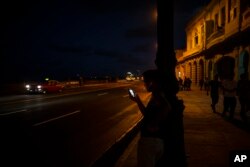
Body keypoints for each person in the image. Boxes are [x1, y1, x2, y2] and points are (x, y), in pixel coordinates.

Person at [129, 69, 171, 167]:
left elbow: (167, 107)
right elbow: (148, 115)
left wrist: (154, 123)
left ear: (152, 82)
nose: (144, 84)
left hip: (150, 142)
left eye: (145, 81)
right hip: (155, 141)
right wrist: (138, 101)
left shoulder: (158, 96)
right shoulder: (156, 95)